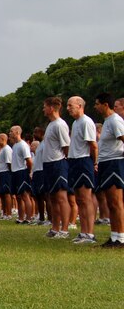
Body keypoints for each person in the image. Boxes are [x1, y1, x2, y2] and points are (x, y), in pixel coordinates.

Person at [66, 96, 98, 243]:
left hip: (83, 161)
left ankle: (89, 233)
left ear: (79, 105)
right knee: (79, 199)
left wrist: (94, 162)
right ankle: (83, 232)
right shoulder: (76, 122)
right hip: (74, 161)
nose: (68, 108)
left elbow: (93, 145)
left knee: (86, 199)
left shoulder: (86, 122)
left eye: (70, 105)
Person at [94, 93, 124, 247]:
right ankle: (114, 236)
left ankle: (121, 238)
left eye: (97, 103)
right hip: (106, 163)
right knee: (110, 203)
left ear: (106, 105)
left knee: (116, 202)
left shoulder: (115, 121)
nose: (95, 106)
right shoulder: (107, 121)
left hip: (114, 163)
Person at [42, 97, 72, 237]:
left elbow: (66, 146)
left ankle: (64, 229)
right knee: (52, 197)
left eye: (45, 106)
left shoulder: (60, 124)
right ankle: (55, 227)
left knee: (61, 197)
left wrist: (66, 164)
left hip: (58, 163)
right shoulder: (51, 125)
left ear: (52, 108)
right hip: (48, 164)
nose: (43, 109)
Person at [9, 126, 34, 223]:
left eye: (11, 131)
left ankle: (28, 218)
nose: (10, 133)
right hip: (15, 172)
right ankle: (21, 217)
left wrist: (28, 171)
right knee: (18, 196)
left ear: (17, 132)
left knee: (25, 195)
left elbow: (29, 160)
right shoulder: (15, 145)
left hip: (22, 171)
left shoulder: (23, 145)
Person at [0, 133, 13, 219]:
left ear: (3, 139)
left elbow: (9, 163)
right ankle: (4, 212)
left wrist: (10, 174)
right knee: (2, 194)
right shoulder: (2, 149)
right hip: (1, 173)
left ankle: (8, 213)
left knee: (6, 193)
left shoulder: (7, 149)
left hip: (5, 173)